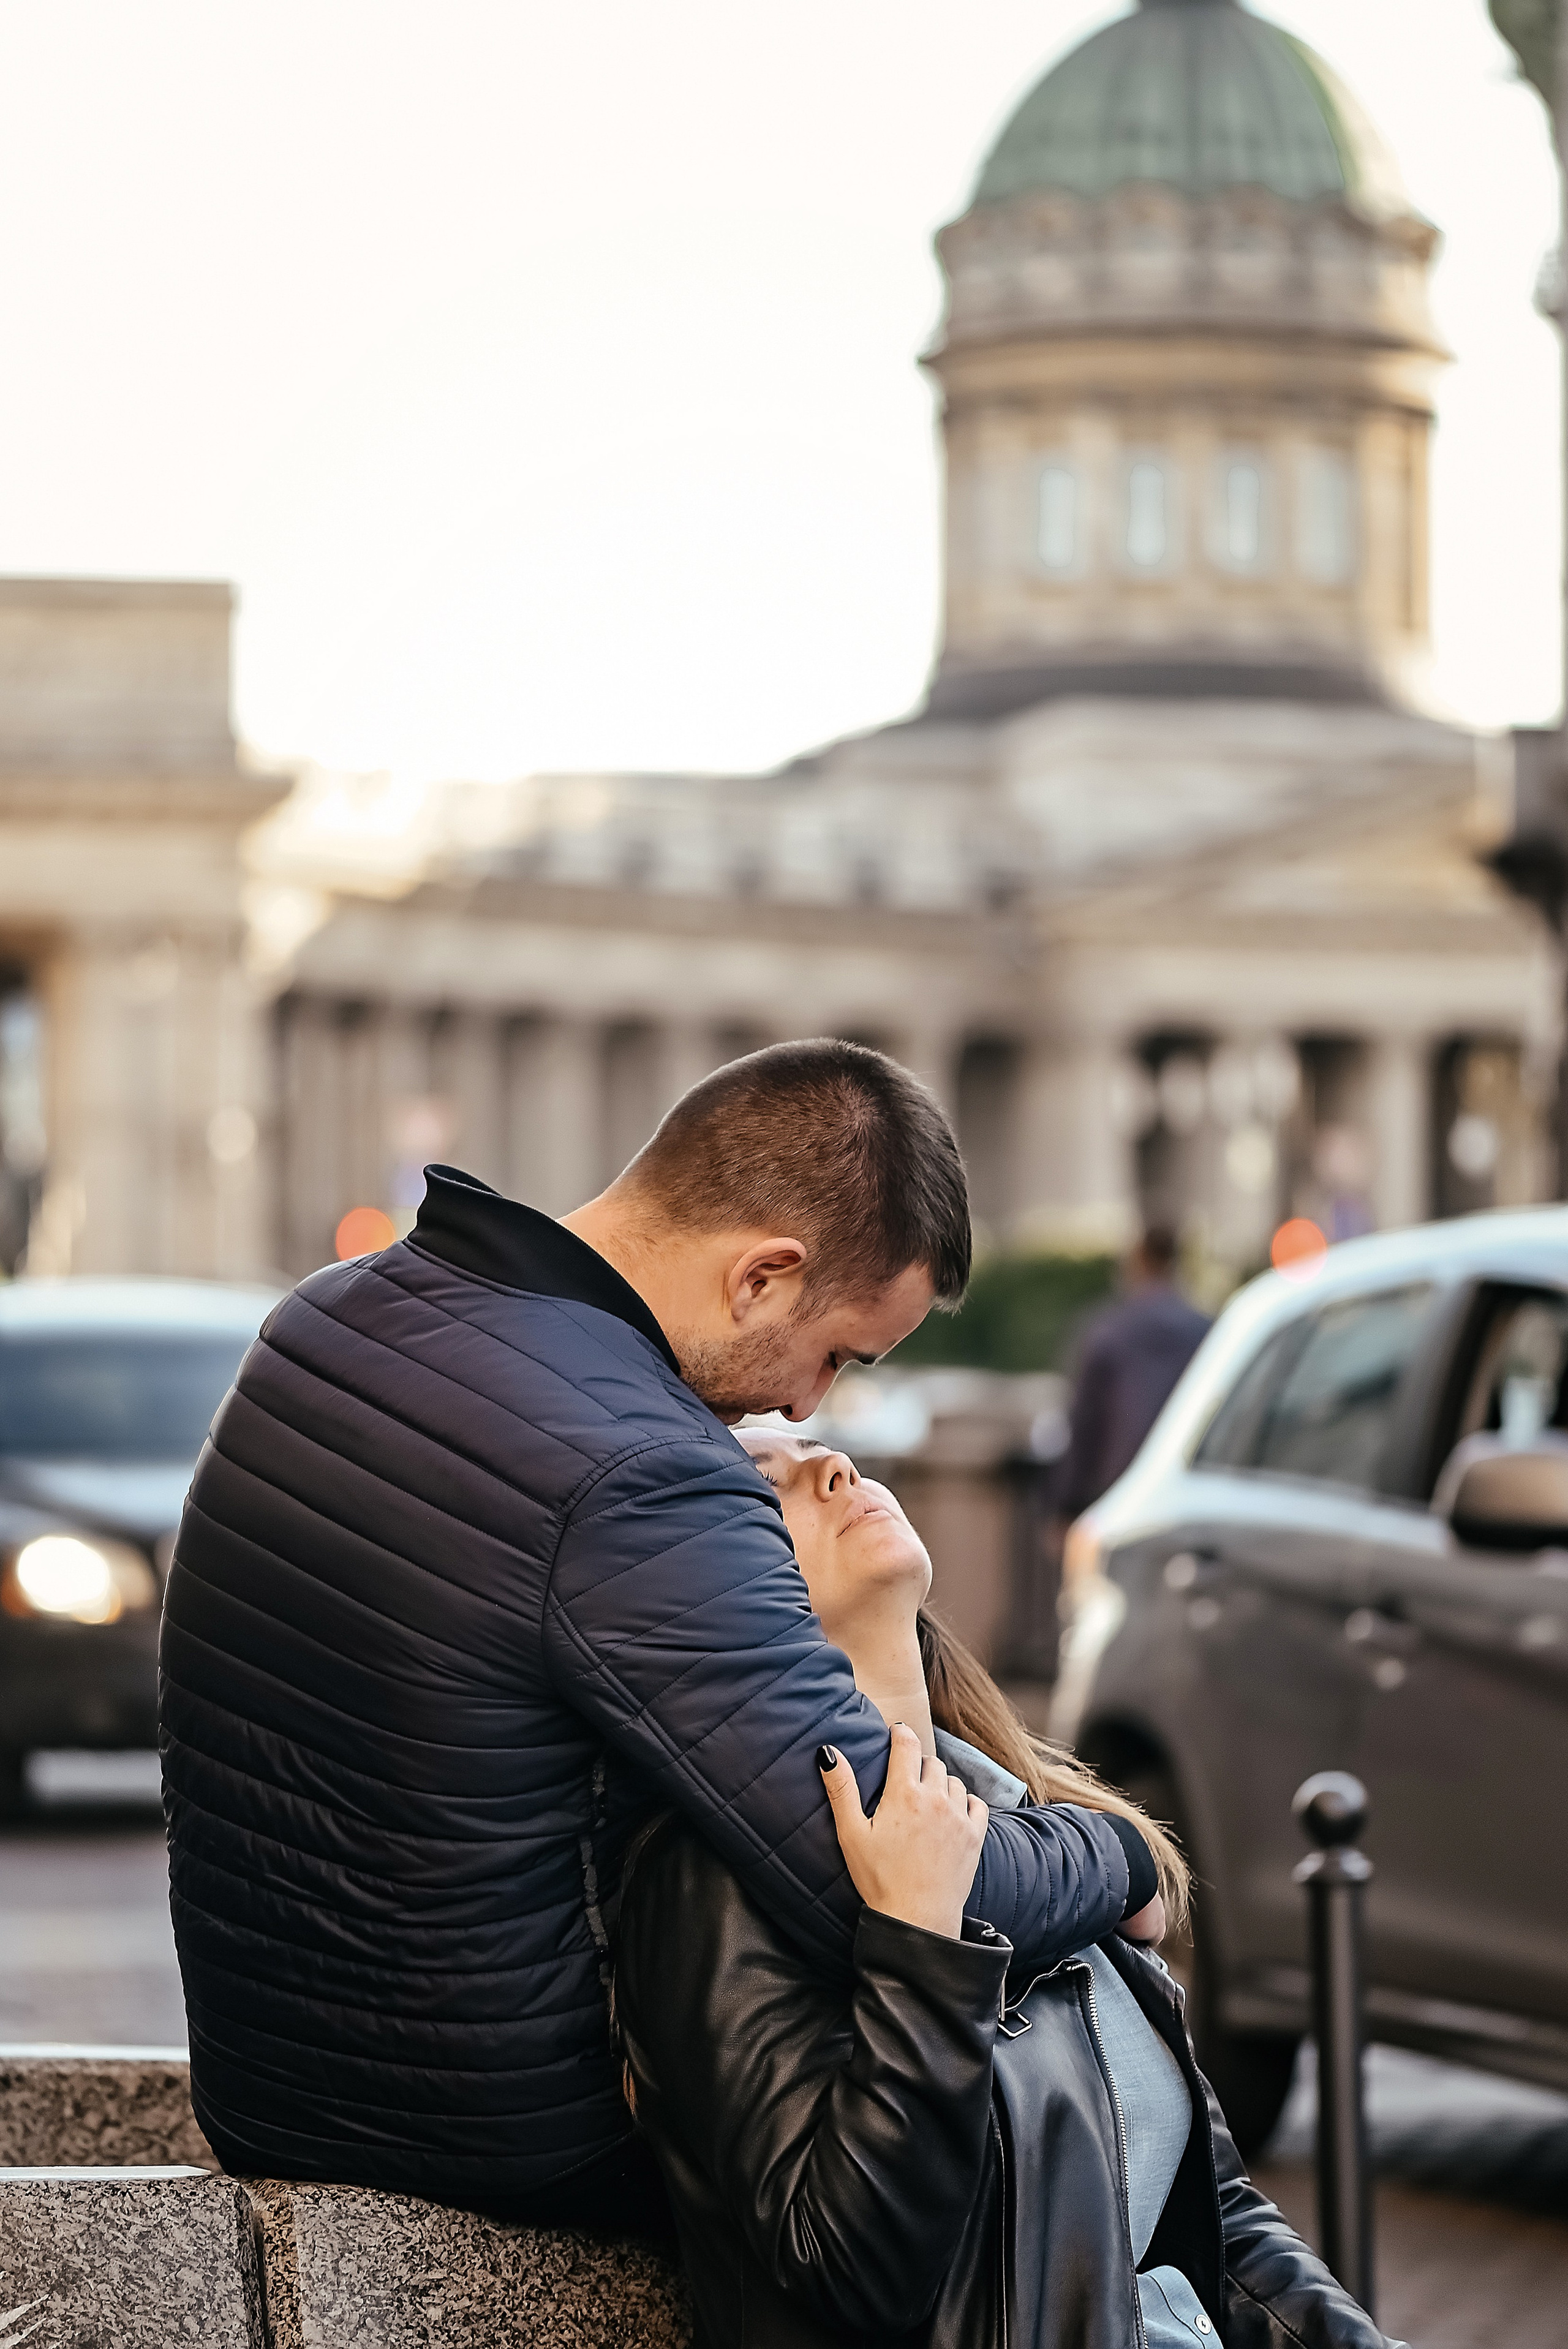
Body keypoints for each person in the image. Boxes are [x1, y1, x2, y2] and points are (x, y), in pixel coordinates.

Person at [159, 1040, 1155, 2223]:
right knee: (1048, 2089)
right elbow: (908, 1882)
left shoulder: (325, 1318)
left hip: (275, 2097)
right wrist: (1129, 1859)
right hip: (515, 2153)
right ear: (763, 1277)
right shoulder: (639, 1472)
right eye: (836, 1353)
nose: (805, 1408)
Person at [616, 1432, 1405, 2349]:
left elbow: (1211, 2214)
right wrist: (923, 1956)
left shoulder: (1030, 1819)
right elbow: (852, 2269)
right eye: (769, 1485)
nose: (832, 1465)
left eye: (822, 1449)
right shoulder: (709, 1872)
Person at [1058, 1224, 1211, 1519]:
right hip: (1187, 1493)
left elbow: (1084, 1423)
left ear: (1138, 1260)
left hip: (1120, 1493)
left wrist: (1067, 1504)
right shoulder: (1206, 1330)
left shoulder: (1108, 1331)